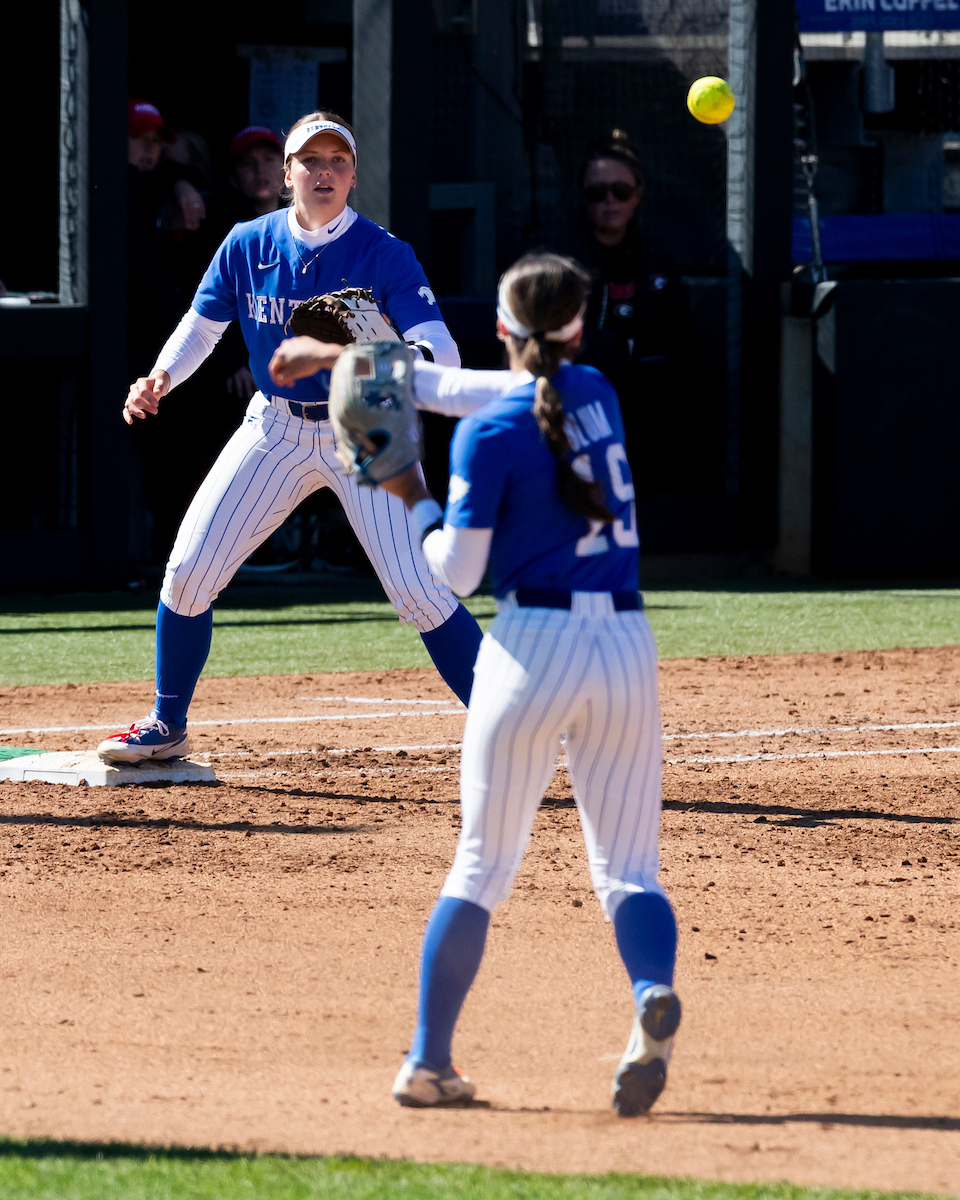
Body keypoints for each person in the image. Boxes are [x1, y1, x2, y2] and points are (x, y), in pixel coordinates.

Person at [277, 253, 681, 1116]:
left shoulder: (488, 436)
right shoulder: (597, 391)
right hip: (625, 646)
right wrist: (342, 357)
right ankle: (651, 989)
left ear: (501, 328)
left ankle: (430, 1062)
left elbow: (455, 575)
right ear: (579, 328)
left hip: (531, 647)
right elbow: (477, 388)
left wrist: (412, 493)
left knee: (482, 865)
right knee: (629, 869)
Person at [97, 110, 482, 764]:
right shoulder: (247, 243)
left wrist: (385, 356)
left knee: (421, 591)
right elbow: (202, 327)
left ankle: (510, 722)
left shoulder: (384, 252)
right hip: (275, 425)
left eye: (337, 161)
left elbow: (444, 354)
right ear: (287, 175)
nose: (323, 172)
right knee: (187, 574)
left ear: (353, 176)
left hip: (363, 423)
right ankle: (167, 724)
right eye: (310, 161)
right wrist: (160, 376)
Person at [571, 130, 688, 493]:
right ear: (584, 198)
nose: (609, 201)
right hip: (579, 399)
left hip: (648, 403)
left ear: (637, 195)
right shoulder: (563, 260)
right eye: (597, 192)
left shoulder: (656, 256)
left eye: (620, 191)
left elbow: (680, 332)